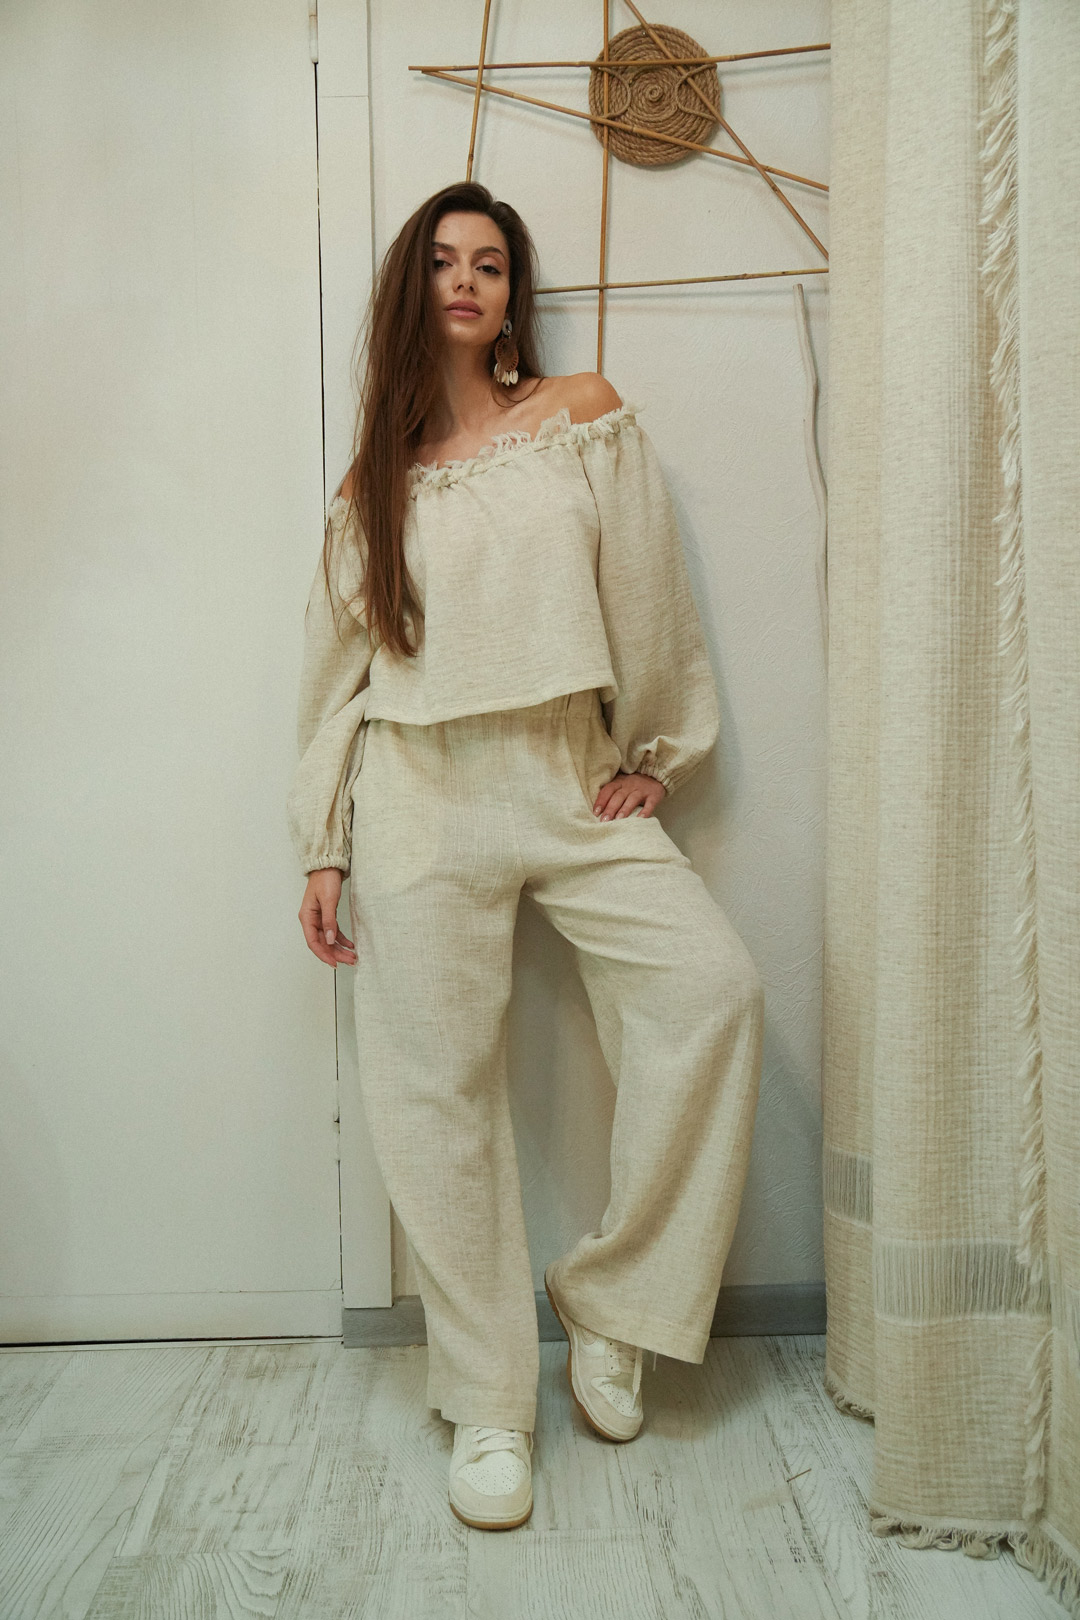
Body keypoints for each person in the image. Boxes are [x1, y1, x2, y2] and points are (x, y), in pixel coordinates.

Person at [286, 180, 764, 1532]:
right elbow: (332, 682)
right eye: (443, 260)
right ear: (412, 287)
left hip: (566, 772)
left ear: (512, 294)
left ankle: (613, 1307)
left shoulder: (581, 417)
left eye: (490, 263)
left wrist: (653, 750)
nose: (466, 280)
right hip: (417, 792)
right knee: (432, 1093)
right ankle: (491, 1398)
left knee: (711, 992)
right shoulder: (371, 486)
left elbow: (648, 596)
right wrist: (324, 844)